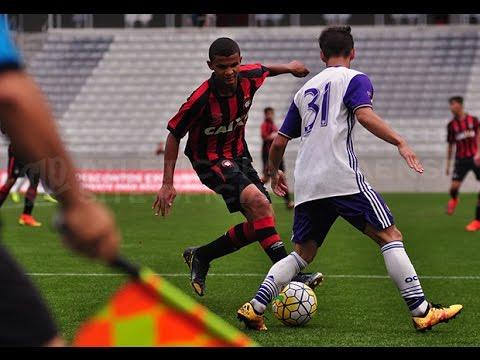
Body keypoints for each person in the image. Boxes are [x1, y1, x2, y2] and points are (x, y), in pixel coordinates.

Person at [237, 25, 462, 332]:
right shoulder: (355, 79)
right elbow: (365, 115)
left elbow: (279, 142)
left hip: (308, 182)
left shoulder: (304, 91)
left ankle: (255, 306)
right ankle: (422, 310)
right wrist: (400, 142)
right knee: (390, 236)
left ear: (321, 55)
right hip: (340, 175)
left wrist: (273, 171)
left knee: (303, 254)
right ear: (353, 52)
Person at [153, 37, 323, 297]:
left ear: (240, 61)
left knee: (263, 219)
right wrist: (167, 183)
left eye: (233, 65)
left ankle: (202, 255)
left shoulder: (249, 76)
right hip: (208, 159)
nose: (229, 72)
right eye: (222, 67)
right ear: (211, 65)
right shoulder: (200, 98)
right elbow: (174, 133)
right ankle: (292, 275)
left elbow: (266, 69)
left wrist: (290, 67)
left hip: (238, 155)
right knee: (258, 202)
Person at [0, 13, 119, 346]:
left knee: (29, 183)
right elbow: (11, 95)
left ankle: (26, 213)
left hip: (28, 153)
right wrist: (77, 203)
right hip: (25, 150)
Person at [444, 96, 480, 231]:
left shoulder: (474, 120)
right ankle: (454, 199)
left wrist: (479, 153)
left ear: (460, 105)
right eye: (450, 104)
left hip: (476, 158)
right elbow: (450, 145)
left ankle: (477, 220)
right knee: (453, 188)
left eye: (452, 104)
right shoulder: (451, 125)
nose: (451, 107)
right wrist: (448, 164)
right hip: (461, 159)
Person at [0, 141, 42, 226]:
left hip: (32, 152)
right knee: (11, 181)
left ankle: (26, 216)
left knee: (34, 182)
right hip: (17, 151)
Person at [260, 107, 294, 209]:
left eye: (271, 113)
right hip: (268, 156)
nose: (270, 115)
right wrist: (275, 135)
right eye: (269, 113)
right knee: (266, 178)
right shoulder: (265, 125)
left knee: (281, 177)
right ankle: (255, 194)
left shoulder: (273, 125)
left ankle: (288, 201)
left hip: (277, 156)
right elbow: (265, 137)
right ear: (265, 114)